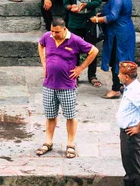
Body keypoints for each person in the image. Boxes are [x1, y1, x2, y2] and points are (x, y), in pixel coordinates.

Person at [36, 17, 99, 159]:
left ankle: (70, 144)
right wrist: (44, 63)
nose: (53, 34)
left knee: (70, 116)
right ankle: (48, 141)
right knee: (50, 115)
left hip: (67, 86)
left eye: (57, 32)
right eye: (52, 31)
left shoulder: (75, 40)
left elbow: (93, 51)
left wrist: (81, 68)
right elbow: (41, 45)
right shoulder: (47, 36)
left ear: (64, 29)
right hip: (49, 84)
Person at [90, 0, 135, 99]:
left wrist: (97, 20)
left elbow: (113, 16)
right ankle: (122, 84)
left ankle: (116, 88)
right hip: (126, 30)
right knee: (123, 59)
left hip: (118, 34)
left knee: (117, 60)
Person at [63, 0, 102, 86]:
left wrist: (87, 5)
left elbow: (98, 1)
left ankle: (92, 75)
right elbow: (65, 4)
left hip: (90, 21)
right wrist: (71, 7)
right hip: (74, 22)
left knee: (92, 49)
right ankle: (75, 75)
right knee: (73, 50)